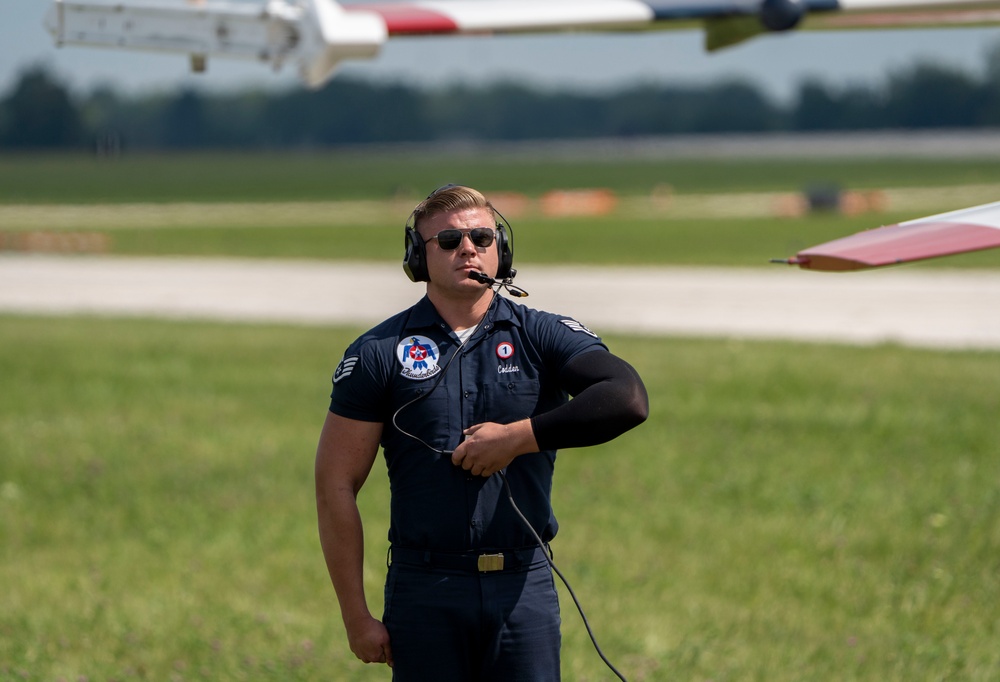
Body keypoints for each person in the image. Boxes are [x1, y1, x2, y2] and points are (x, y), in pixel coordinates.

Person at [315, 184, 648, 681]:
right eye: (448, 241)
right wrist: (355, 615)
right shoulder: (378, 352)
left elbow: (626, 398)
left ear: (502, 250)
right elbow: (335, 483)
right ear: (417, 258)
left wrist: (517, 438)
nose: (468, 248)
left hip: (523, 587)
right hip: (424, 588)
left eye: (481, 237)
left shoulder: (542, 334)